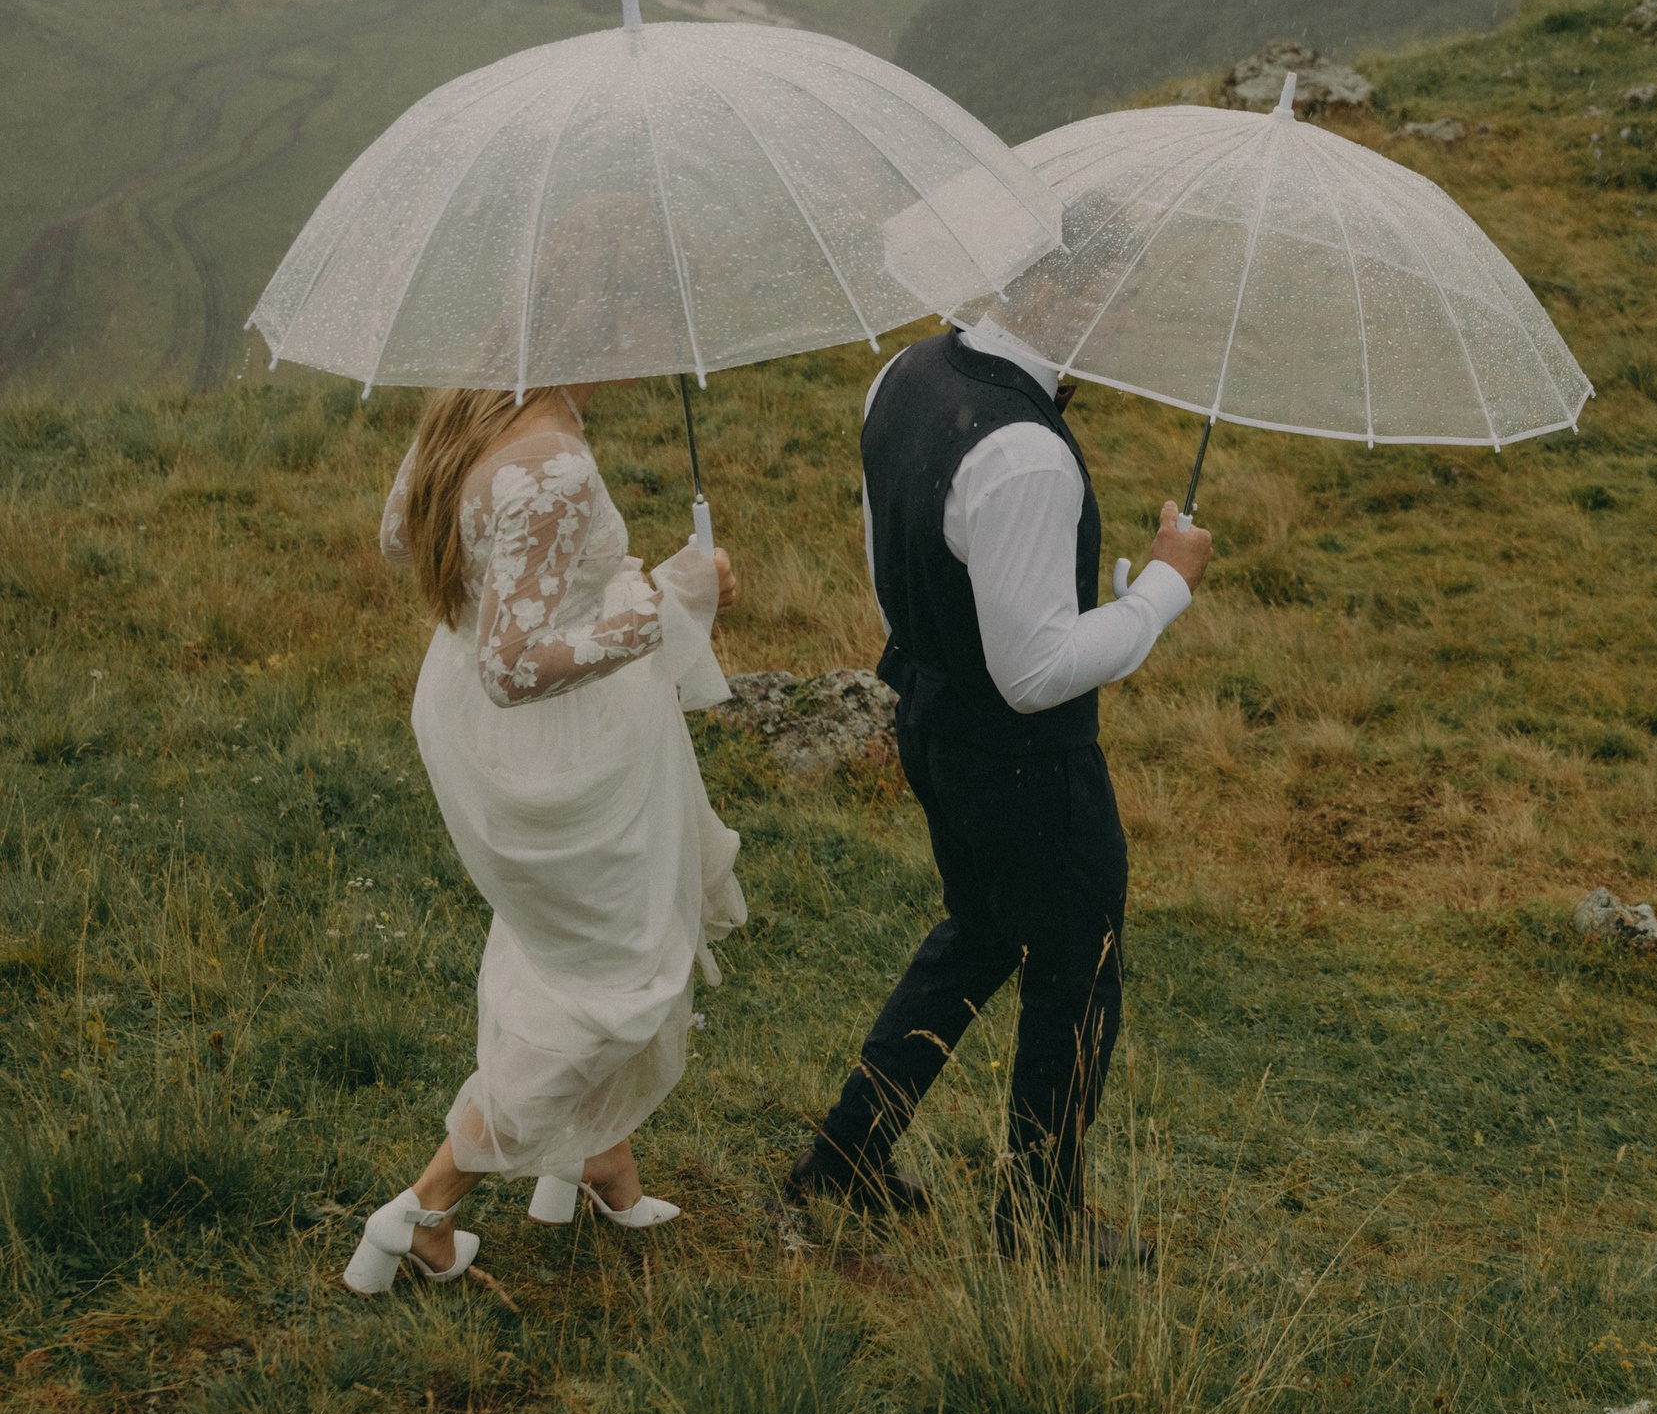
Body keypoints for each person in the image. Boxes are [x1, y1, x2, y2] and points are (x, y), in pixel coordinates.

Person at [787, 298, 1211, 1260]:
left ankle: (847, 1152)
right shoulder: (1027, 456)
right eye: (1116, 310)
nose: (1124, 334)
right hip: (1025, 760)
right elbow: (1034, 675)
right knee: (1075, 969)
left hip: (927, 713)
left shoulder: (904, 374)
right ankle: (1040, 1220)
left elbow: (894, 566)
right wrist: (1165, 586)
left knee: (980, 932)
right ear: (1072, 305)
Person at [342, 382, 744, 1295]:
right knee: (621, 977)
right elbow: (515, 666)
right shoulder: (551, 460)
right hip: (562, 750)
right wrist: (666, 601)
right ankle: (424, 1210)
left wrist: (580, 576)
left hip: (482, 733)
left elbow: (401, 534)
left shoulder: (473, 404)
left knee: (567, 950)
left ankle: (598, 1161)